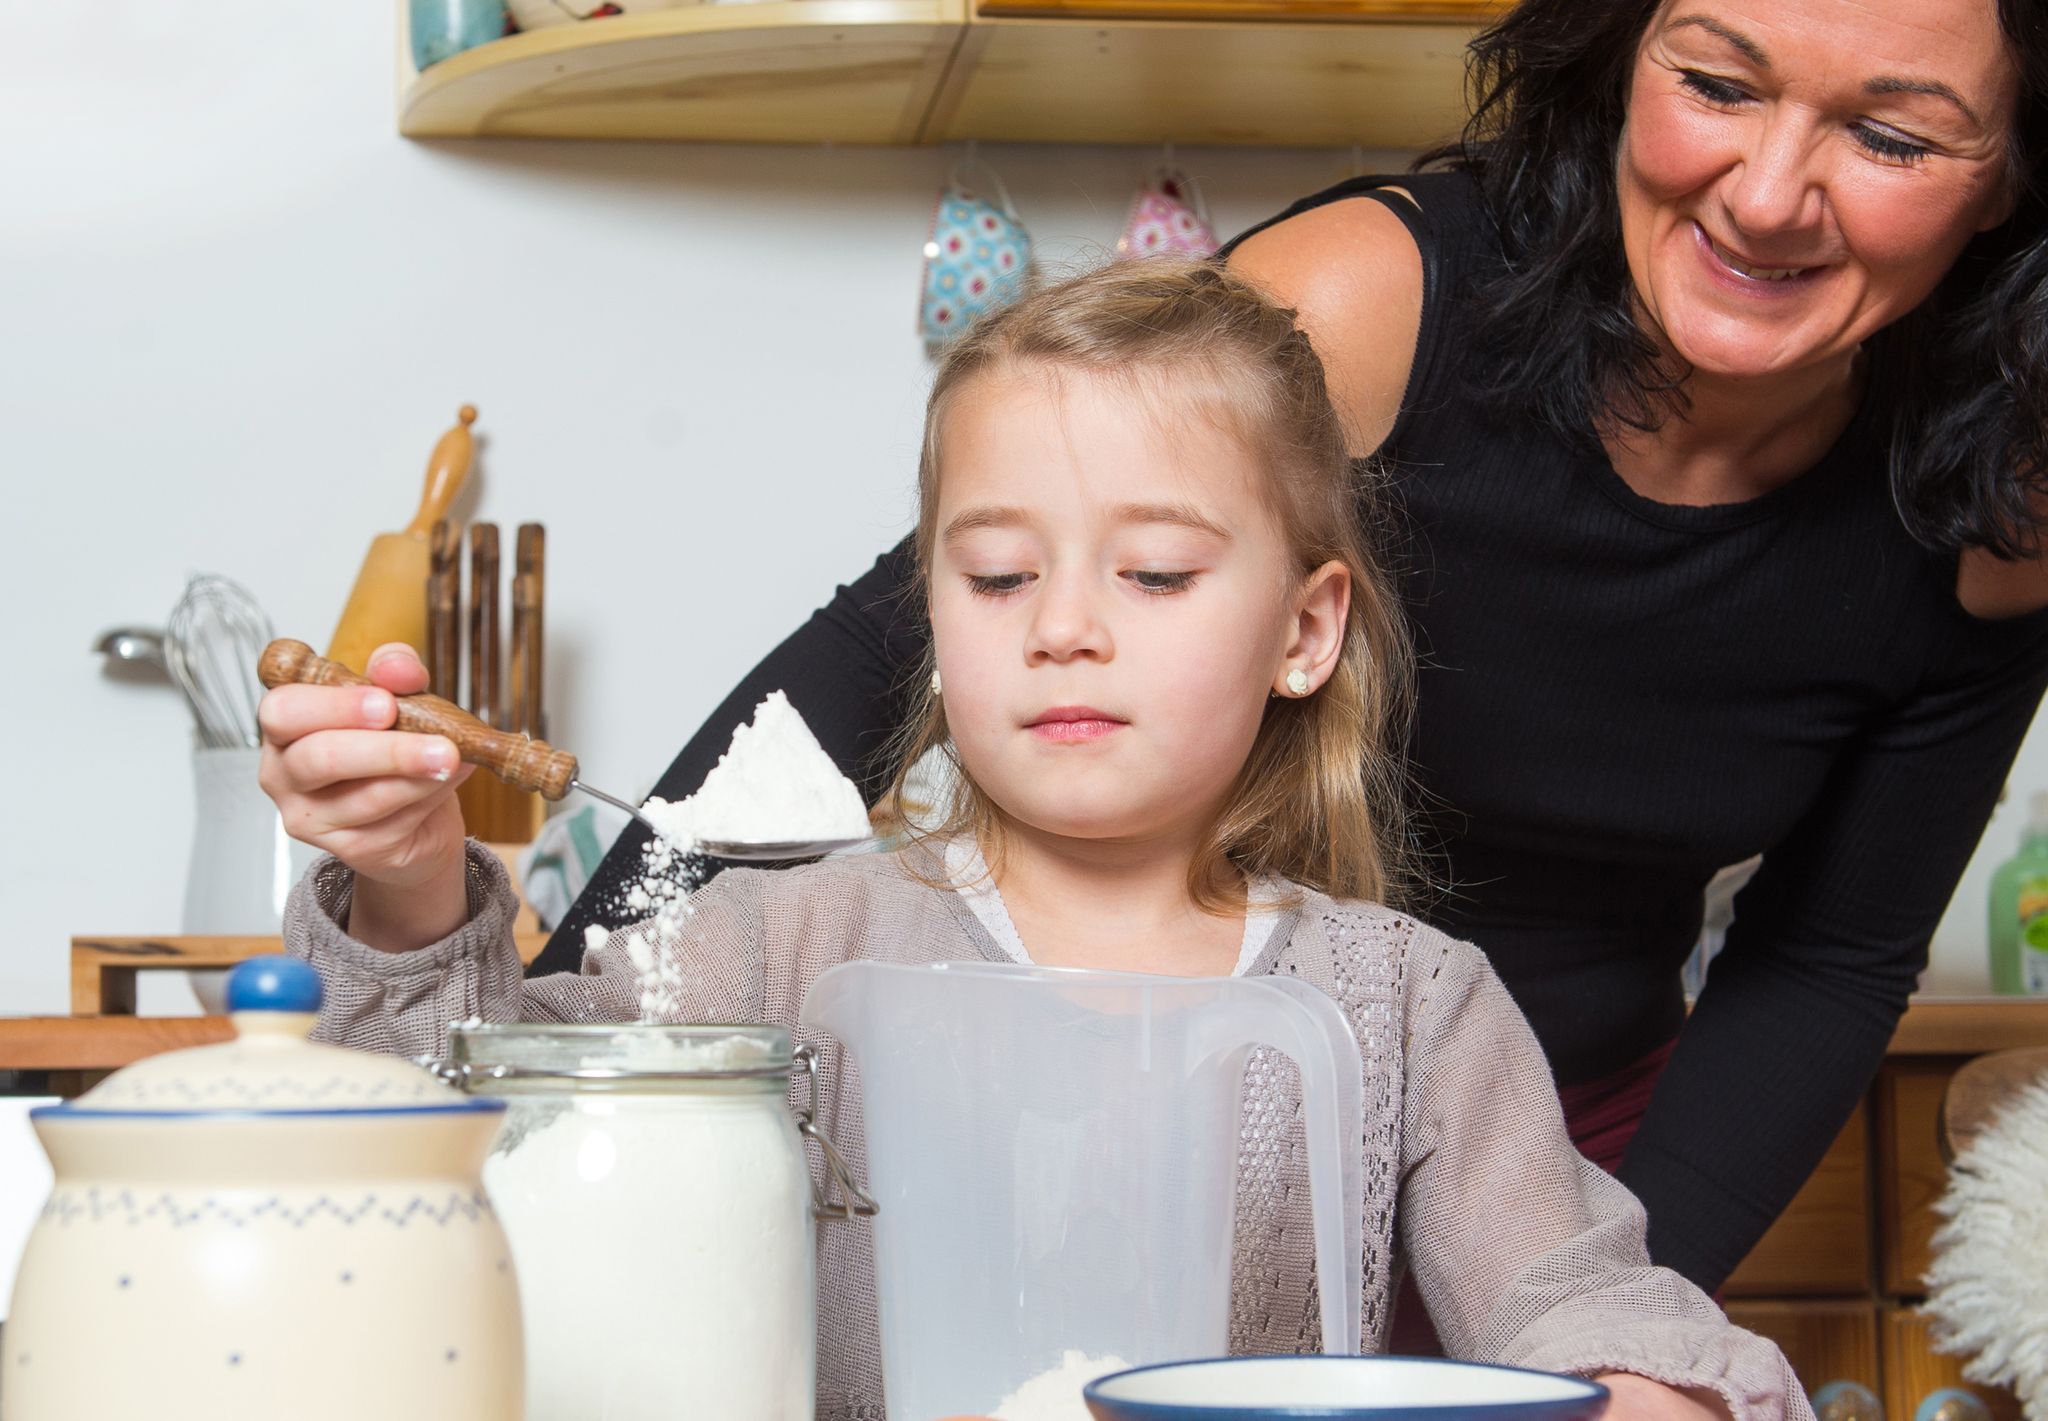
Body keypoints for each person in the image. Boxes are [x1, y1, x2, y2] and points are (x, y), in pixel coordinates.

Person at [540, 0, 2048, 1294]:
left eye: (1895, 140)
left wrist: (1609, 1312)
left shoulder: (2004, 506)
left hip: (1566, 1159)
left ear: (2014, 176)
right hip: (1178, 1124)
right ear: (1615, 58)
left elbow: (1830, 956)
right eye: (1716, 85)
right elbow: (870, 665)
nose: (1769, 193)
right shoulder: (1365, 309)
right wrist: (553, 1061)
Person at [262, 262, 1807, 1421]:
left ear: (1305, 628)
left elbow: (1573, 1296)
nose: (1064, 627)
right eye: (998, 577)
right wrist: (406, 875)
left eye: (1151, 572)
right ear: (931, 618)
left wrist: (1647, 1388)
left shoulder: (1408, 999)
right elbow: (467, 1141)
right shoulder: (769, 947)